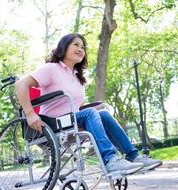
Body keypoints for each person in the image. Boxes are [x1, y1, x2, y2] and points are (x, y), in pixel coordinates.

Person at [15, 33, 162, 173]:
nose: (80, 49)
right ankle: (110, 160)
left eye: (83, 47)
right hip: (53, 123)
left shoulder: (77, 77)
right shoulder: (51, 68)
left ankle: (133, 156)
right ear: (64, 47)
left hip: (71, 121)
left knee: (103, 113)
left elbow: (77, 107)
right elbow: (21, 84)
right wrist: (30, 114)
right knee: (91, 113)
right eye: (76, 45)